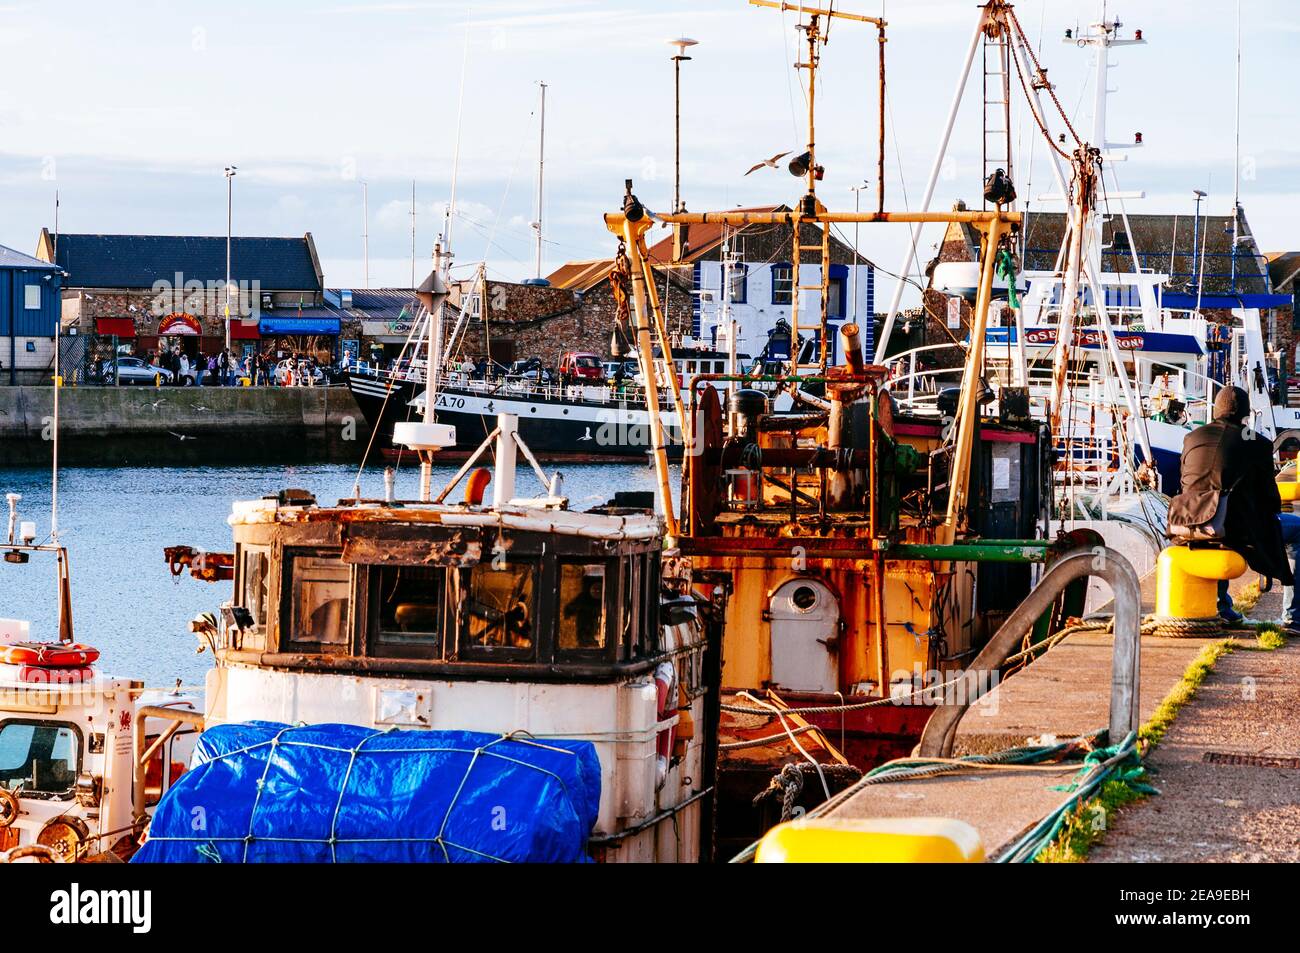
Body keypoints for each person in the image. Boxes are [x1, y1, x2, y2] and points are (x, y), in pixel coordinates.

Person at [1168, 385, 1297, 628]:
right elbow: (1270, 499)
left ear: (1216, 409)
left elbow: (1187, 482)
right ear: (1245, 414)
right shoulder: (1257, 443)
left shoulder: (1192, 437)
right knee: (1297, 530)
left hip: (1188, 521)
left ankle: (1222, 607)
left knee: (1223, 517)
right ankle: (1294, 617)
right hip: (1231, 527)